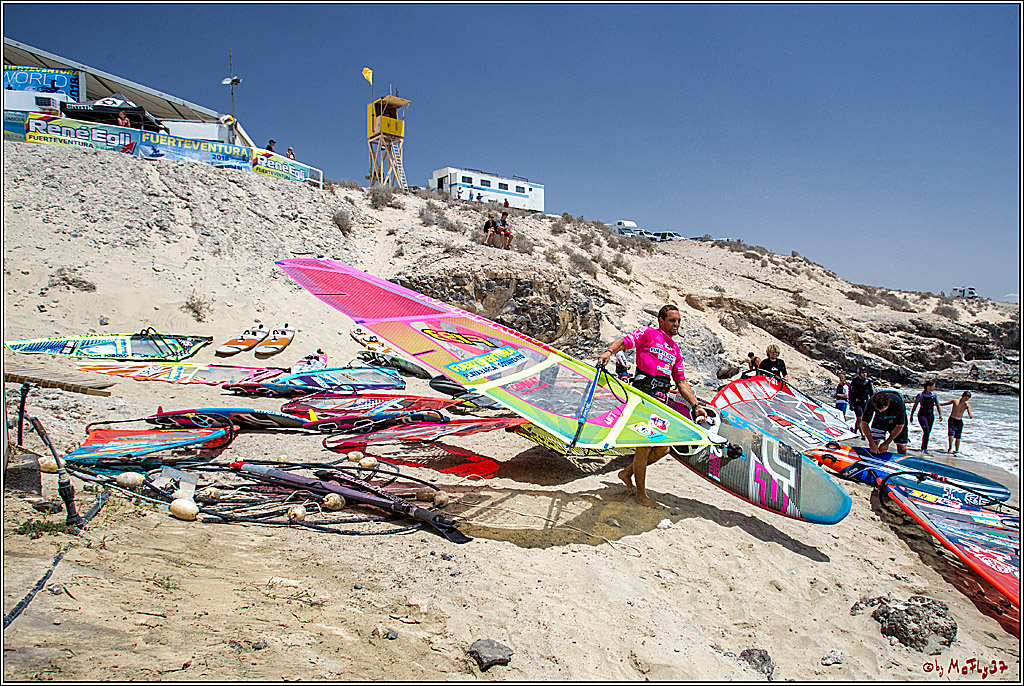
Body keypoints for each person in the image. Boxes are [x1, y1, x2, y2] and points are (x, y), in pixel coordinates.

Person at [597, 305, 707, 509]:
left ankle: (627, 473)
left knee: (663, 449)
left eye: (679, 321)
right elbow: (624, 342)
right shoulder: (648, 333)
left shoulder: (675, 350)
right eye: (673, 320)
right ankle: (641, 495)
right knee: (644, 445)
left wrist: (696, 405)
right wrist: (609, 351)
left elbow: (681, 382)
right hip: (642, 397)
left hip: (660, 402)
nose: (677, 324)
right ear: (661, 320)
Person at [860, 390, 909, 455]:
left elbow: (900, 426)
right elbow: (864, 423)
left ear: (888, 404)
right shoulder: (871, 402)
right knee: (874, 445)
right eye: (878, 409)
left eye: (882, 409)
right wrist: (871, 442)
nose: (880, 411)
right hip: (880, 420)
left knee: (902, 448)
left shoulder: (897, 403)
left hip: (896, 421)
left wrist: (887, 443)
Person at [909, 380, 942, 453]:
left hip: (930, 415)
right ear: (928, 387)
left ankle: (924, 447)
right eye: (933, 386)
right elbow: (915, 405)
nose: (935, 387)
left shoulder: (934, 395)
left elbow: (937, 405)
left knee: (928, 432)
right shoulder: (920, 395)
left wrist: (940, 414)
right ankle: (924, 448)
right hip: (922, 415)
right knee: (926, 429)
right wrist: (911, 415)